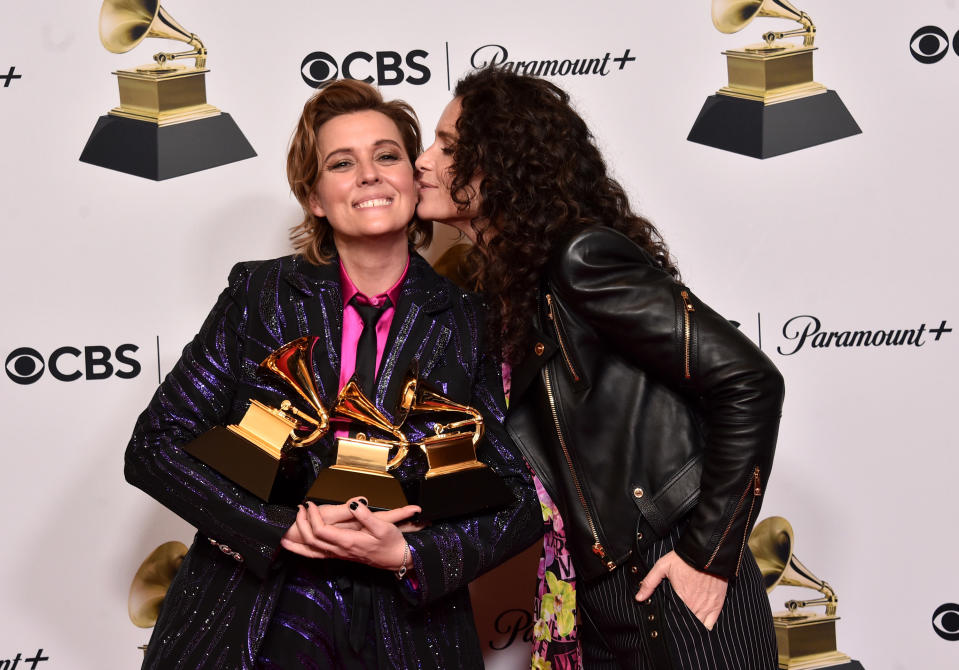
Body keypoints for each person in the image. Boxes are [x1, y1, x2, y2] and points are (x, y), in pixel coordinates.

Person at [124, 78, 541, 669]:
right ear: (315, 198)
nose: (369, 175)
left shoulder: (475, 321)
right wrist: (281, 528)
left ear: (414, 178)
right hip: (250, 616)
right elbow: (155, 446)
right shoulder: (259, 296)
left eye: (387, 155)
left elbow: (522, 498)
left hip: (408, 631)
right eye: (342, 163)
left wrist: (408, 555)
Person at [415, 67, 785, 669]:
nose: (424, 162)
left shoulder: (579, 259)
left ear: (501, 164)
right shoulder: (506, 289)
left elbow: (750, 380)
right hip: (596, 593)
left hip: (667, 575)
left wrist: (706, 557)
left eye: (449, 147)